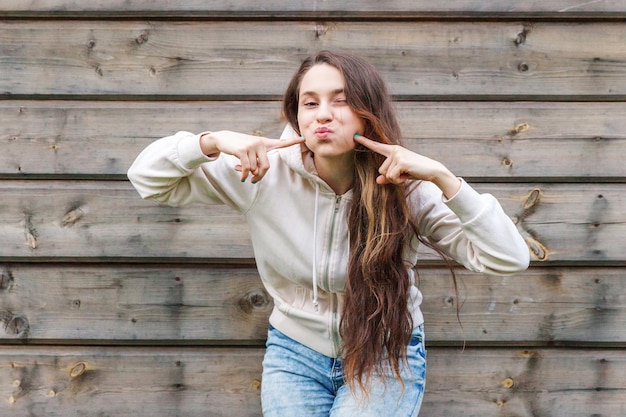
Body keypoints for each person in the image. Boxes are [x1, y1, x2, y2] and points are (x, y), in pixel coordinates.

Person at [127, 50, 530, 417]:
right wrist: (210, 142)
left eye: (341, 101)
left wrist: (443, 178)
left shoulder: (407, 186)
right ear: (296, 115)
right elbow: (146, 178)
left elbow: (509, 258)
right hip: (294, 354)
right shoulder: (265, 173)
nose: (323, 114)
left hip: (384, 353)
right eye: (310, 103)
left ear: (368, 113)